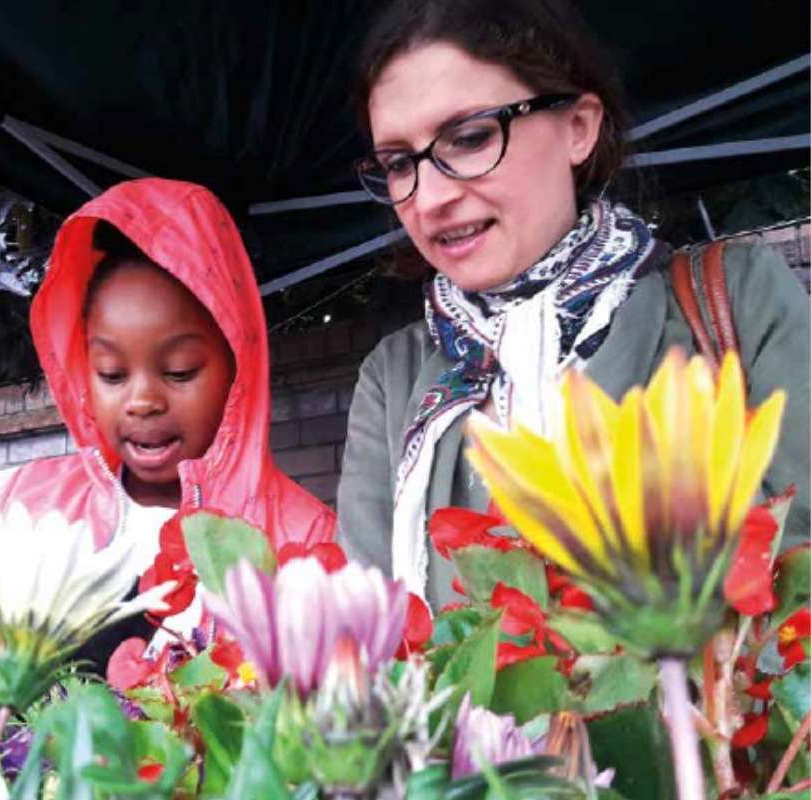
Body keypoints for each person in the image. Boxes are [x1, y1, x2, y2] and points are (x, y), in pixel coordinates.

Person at [336, 0, 810, 608]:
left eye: (471, 137)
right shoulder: (393, 380)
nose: (427, 199)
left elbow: (797, 575)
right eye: (399, 163)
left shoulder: (737, 298)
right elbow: (372, 636)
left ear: (579, 127)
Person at [0, 178, 337, 670]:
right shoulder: (26, 508)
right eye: (111, 374)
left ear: (238, 364)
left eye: (179, 371)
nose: (143, 401)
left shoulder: (303, 538)